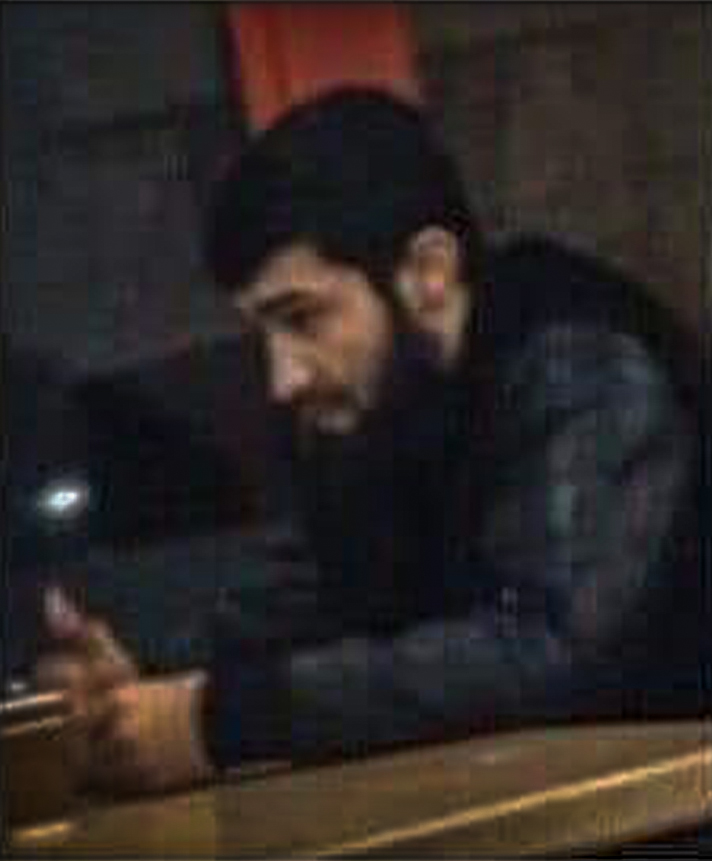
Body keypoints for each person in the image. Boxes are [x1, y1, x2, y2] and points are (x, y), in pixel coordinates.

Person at [36, 87, 707, 794]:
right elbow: (327, 587)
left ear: (428, 272)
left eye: (303, 318)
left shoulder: (582, 364)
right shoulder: (394, 398)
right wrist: (145, 677)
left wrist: (217, 721)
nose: (283, 378)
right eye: (264, 333)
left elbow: (546, 651)